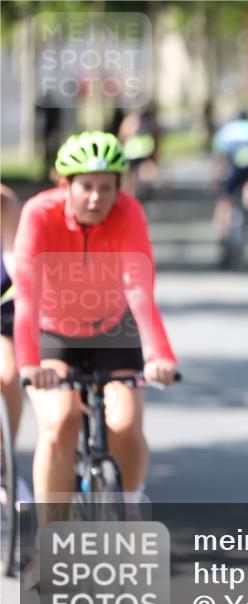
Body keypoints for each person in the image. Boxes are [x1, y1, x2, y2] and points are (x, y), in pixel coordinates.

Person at [14, 132, 179, 526]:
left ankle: (130, 503)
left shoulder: (129, 213)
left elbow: (139, 289)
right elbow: (26, 295)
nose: (95, 198)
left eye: (107, 188)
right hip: (53, 331)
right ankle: (47, 543)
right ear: (65, 185)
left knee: (125, 423)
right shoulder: (39, 214)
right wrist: (29, 363)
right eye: (85, 186)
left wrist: (160, 356)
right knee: (59, 424)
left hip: (112, 329)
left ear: (119, 188)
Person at [211, 109, 248, 244]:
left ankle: (221, 233)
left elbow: (219, 157)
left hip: (232, 167)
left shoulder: (227, 130)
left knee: (225, 200)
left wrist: (214, 178)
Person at [1, 185, 23, 443]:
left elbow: (12, 257)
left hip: (3, 301)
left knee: (8, 373)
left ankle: (6, 456)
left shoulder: (5, 201)